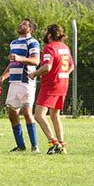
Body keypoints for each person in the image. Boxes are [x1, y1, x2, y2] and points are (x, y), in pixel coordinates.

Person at [0, 18, 40, 152]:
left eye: (25, 24)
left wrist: (20, 58)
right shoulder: (13, 43)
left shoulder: (32, 42)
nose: (20, 25)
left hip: (26, 81)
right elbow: (12, 63)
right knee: (12, 113)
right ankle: (21, 146)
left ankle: (35, 146)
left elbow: (36, 61)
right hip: (13, 82)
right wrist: (3, 77)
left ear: (30, 29)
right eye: (20, 23)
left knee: (27, 112)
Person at [29, 24, 74, 154]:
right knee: (55, 115)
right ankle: (62, 145)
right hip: (63, 84)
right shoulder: (65, 48)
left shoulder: (49, 48)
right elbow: (71, 66)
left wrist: (34, 73)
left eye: (45, 32)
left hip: (51, 85)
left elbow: (47, 67)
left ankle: (54, 143)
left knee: (38, 115)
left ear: (49, 35)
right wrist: (62, 75)